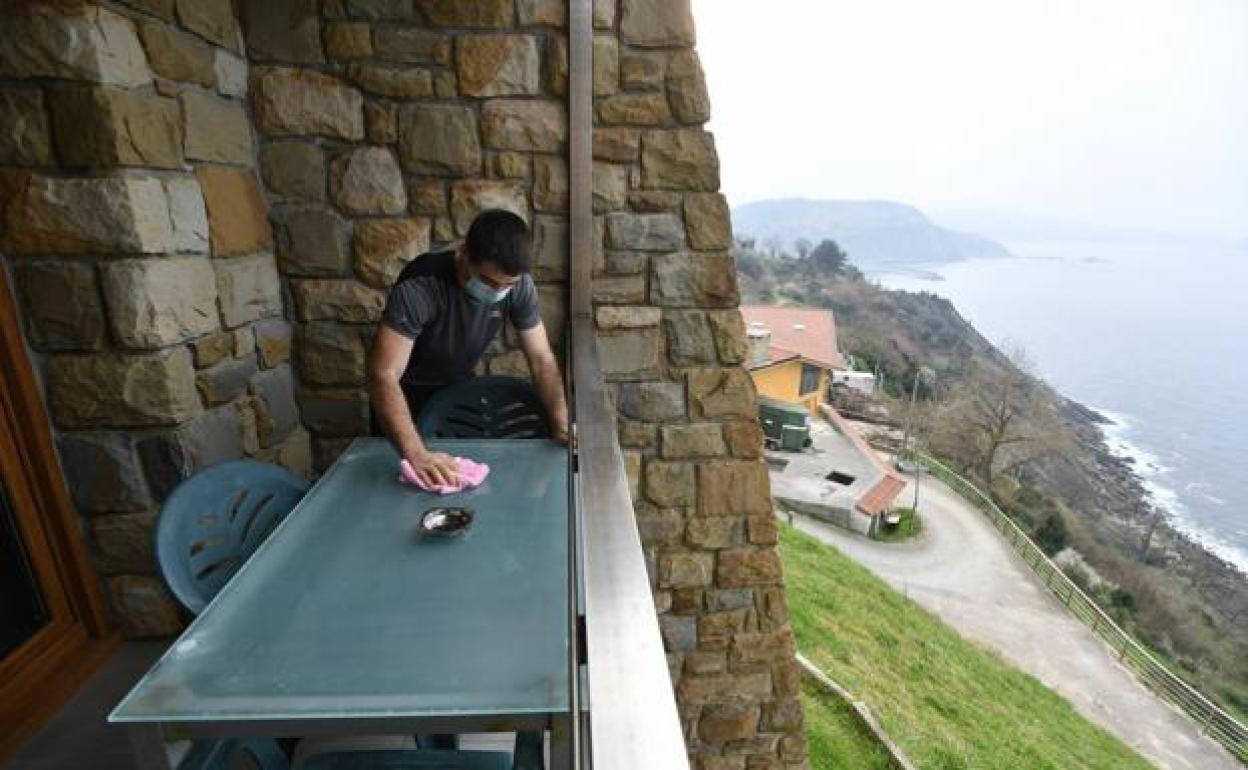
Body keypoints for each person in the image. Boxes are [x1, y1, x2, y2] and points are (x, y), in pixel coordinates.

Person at [368, 209, 569, 489]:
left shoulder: (519, 286)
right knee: (401, 487)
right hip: (403, 395)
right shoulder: (420, 287)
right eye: (487, 281)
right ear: (463, 254)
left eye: (507, 285)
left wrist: (561, 421)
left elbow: (541, 358)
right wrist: (416, 453)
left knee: (458, 482)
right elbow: (384, 374)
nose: (497, 291)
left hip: (457, 388)